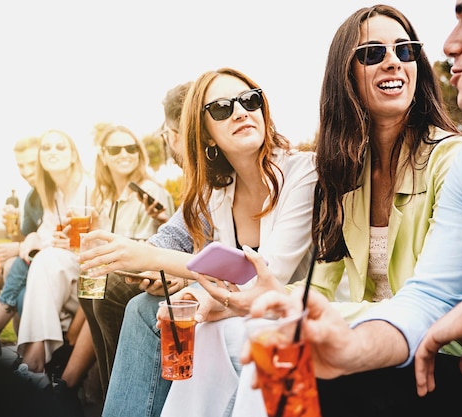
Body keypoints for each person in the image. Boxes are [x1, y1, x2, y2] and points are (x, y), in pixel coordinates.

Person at [243, 0, 462, 416]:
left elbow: (459, 311)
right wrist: (352, 347)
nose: (449, 45)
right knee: (332, 380)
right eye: (373, 53)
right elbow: (431, 296)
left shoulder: (450, 157)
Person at [219, 5, 462, 417]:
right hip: (369, 353)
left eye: (405, 51)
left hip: (439, 358)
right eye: (372, 53)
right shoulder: (348, 174)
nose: (393, 61)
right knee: (265, 344)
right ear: (345, 75)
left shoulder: (451, 159)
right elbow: (320, 284)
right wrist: (262, 298)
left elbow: (436, 304)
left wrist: (319, 314)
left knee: (292, 363)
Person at [78, 67, 317, 417]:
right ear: (204, 134)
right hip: (242, 307)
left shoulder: (302, 171)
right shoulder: (216, 190)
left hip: (293, 309)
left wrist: (150, 257)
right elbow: (216, 271)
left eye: (250, 100)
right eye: (222, 108)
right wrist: (187, 284)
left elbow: (266, 276)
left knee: (159, 313)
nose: (240, 111)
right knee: (144, 308)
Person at [66, 124, 175, 405]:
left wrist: (160, 220)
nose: (124, 154)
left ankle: (116, 391)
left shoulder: (150, 191)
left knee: (102, 286)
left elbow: (163, 242)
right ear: (103, 155)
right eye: (115, 149)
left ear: (139, 154)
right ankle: (107, 391)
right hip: (113, 266)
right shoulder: (104, 199)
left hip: (147, 266)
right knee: (89, 284)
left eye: (131, 148)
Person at [13, 129, 94, 389]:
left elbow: (108, 239)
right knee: (45, 260)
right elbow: (43, 237)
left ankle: (34, 360)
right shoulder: (53, 196)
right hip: (66, 276)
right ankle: (35, 361)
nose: (52, 152)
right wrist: (40, 241)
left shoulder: (92, 187)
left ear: (73, 156)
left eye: (60, 147)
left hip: (92, 275)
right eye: (46, 148)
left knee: (48, 260)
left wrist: (63, 247)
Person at [0, 136, 43, 355]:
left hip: (51, 269)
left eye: (30, 164)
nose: (25, 171)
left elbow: (38, 244)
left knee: (10, 268)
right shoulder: (31, 198)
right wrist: (13, 228)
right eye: (20, 165)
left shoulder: (56, 194)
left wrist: (16, 249)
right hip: (30, 263)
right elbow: (23, 239)